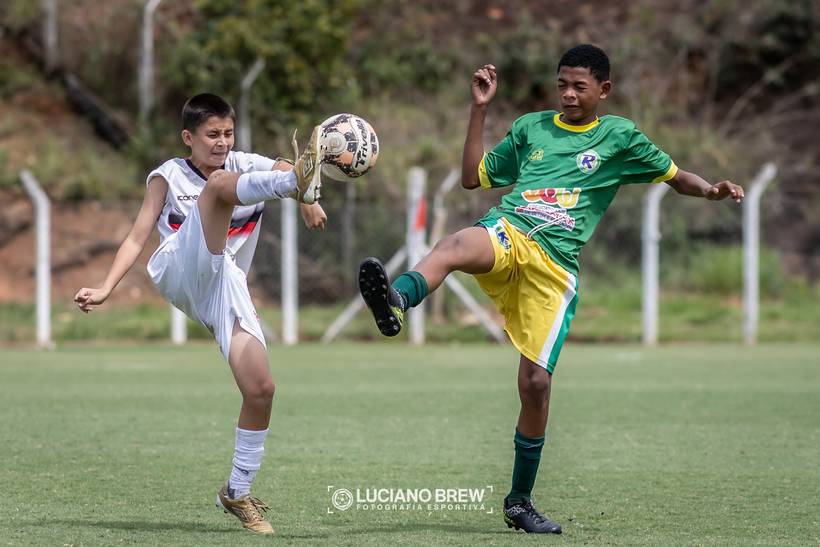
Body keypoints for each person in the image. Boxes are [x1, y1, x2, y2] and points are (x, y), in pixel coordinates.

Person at [358, 44, 745, 534]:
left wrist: (711, 190)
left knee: (536, 386)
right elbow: (471, 178)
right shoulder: (531, 127)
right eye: (562, 83)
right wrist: (479, 110)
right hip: (511, 229)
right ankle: (396, 299)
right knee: (454, 244)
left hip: (555, 267)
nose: (567, 94)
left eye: (579, 86)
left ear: (603, 90)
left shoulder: (620, 137)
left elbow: (675, 176)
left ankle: (519, 502)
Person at [74, 93, 328, 535]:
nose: (222, 143)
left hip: (221, 285)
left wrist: (303, 190)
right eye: (212, 135)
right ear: (188, 137)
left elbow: (285, 166)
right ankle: (295, 191)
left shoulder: (244, 161)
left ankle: (237, 489)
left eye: (228, 133)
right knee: (217, 189)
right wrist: (105, 287)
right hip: (178, 266)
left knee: (261, 388)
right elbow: (137, 238)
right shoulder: (169, 175)